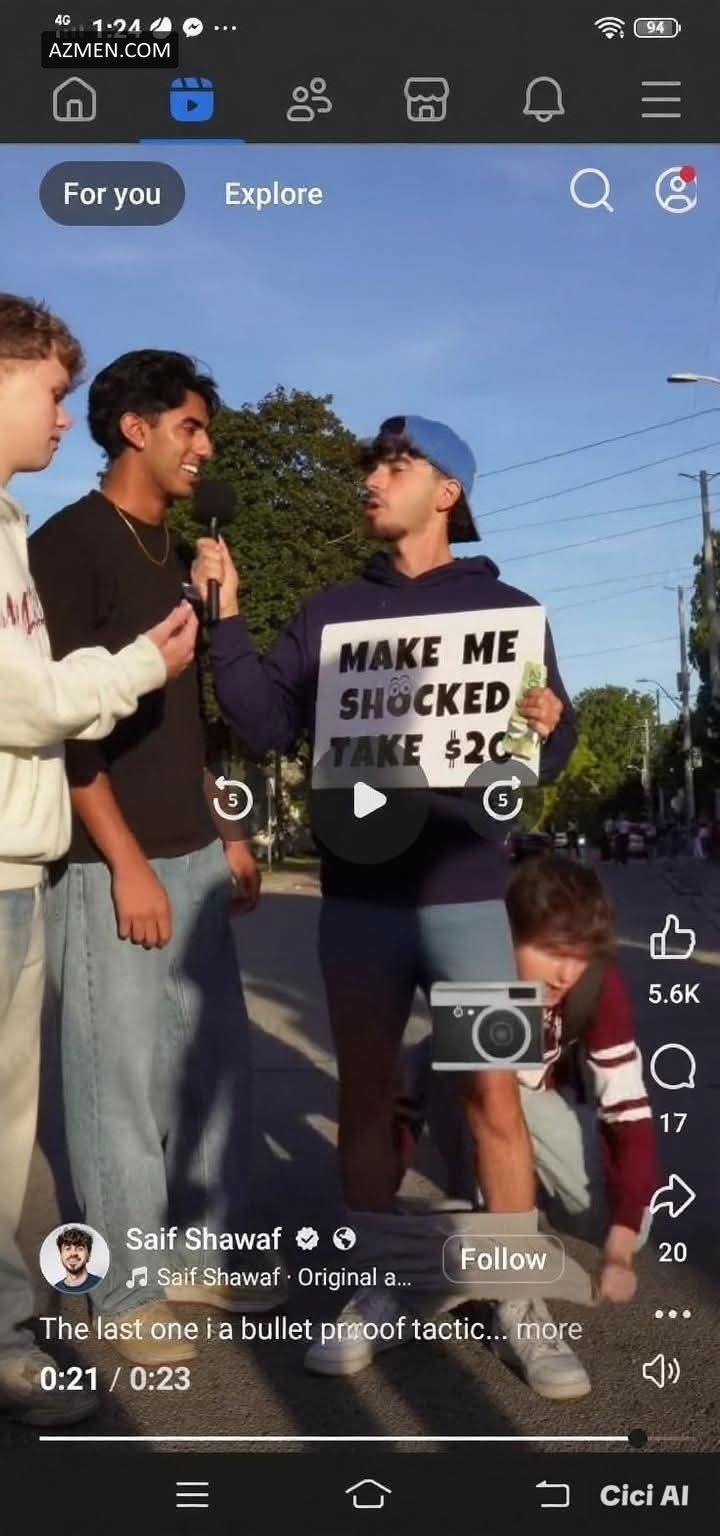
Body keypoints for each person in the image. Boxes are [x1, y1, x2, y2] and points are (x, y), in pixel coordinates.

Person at [192, 413, 577, 1374]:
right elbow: (261, 720)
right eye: (372, 464)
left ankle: (520, 1298)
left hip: (469, 897)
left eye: (397, 465)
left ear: (448, 493)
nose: (373, 478)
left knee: (494, 1097)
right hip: (360, 904)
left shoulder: (509, 612)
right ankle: (374, 1281)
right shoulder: (329, 615)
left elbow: (542, 757)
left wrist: (551, 724)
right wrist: (226, 619)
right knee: (365, 1096)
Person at [29, 350, 283, 1369]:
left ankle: (199, 1256)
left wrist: (230, 829)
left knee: (213, 1068)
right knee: (117, 1083)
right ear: (135, 429)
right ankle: (125, 1286)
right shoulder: (68, 546)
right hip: (110, 861)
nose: (205, 447)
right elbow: (61, 727)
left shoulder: (183, 553)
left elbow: (198, 720)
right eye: (191, 426)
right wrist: (126, 860)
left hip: (195, 849)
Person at [0, 293, 198, 1427]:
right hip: (40, 858)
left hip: (25, 861)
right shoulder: (55, 539)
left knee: (14, 1129)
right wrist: (139, 667)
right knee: (79, 1092)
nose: (63, 415)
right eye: (51, 390)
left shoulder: (13, 525)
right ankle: (76, 1306)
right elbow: (31, 703)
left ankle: (11, 1326)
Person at [395, 854, 660, 1399]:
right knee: (483, 1086)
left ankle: (481, 1229)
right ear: (508, 936)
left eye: (579, 956)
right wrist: (378, 1218)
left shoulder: (595, 984)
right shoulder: (480, 968)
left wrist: (619, 1246)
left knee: (631, 1222)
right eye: (552, 952)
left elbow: (628, 1113)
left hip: (540, 1103)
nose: (566, 973)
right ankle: (514, 1294)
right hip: (470, 1093)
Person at [53, 1228, 102, 1295]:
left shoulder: (101, 1285)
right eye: (68, 1248)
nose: (73, 1253)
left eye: (80, 1248)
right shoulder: (55, 1289)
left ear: (89, 1255)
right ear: (60, 1254)